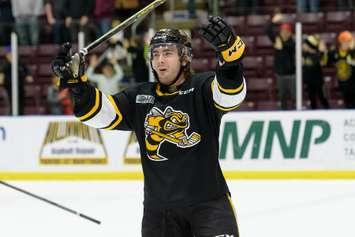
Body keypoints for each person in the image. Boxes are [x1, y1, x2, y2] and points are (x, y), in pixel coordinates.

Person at [52, 16, 246, 236]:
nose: (160, 60)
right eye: (155, 54)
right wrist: (79, 85)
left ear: (185, 58)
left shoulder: (203, 87)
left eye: (167, 53)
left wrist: (230, 60)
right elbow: (100, 114)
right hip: (159, 212)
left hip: (209, 206)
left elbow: (231, 96)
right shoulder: (140, 97)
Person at [266, 11, 296, 110]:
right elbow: (267, 31)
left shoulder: (293, 41)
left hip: (292, 74)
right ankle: (283, 112)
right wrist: (273, 21)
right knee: (282, 96)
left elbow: (290, 47)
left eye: (286, 31)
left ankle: (296, 112)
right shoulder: (277, 39)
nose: (284, 33)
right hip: (280, 73)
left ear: (290, 32)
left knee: (294, 96)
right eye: (283, 31)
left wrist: (281, 45)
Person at [326, 31, 355, 108]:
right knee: (347, 104)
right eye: (346, 41)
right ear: (341, 41)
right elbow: (326, 64)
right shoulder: (334, 53)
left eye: (349, 41)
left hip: (353, 83)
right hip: (343, 83)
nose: (348, 44)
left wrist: (352, 51)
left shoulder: (353, 52)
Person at [302, 34, 329, 109]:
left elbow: (323, 62)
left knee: (323, 99)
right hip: (309, 83)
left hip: (319, 82)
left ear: (309, 46)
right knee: (312, 100)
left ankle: (329, 113)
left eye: (304, 44)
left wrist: (323, 51)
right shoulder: (304, 54)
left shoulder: (318, 55)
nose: (302, 45)